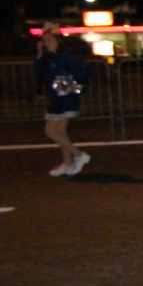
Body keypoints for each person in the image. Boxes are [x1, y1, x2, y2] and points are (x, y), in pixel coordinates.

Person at [33, 26, 92, 177]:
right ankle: (68, 163)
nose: (47, 43)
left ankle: (79, 155)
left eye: (50, 40)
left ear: (58, 41)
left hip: (65, 98)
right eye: (45, 40)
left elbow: (84, 67)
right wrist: (39, 52)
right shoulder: (50, 58)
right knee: (60, 132)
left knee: (51, 131)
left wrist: (76, 83)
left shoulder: (63, 56)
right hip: (57, 98)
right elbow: (40, 73)